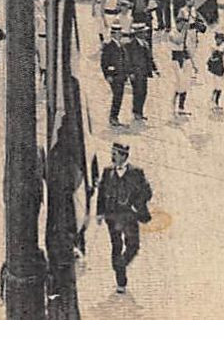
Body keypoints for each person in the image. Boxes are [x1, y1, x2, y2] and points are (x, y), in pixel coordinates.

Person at [95, 142, 153, 295]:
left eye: (115, 153)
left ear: (123, 156)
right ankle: (121, 281)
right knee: (116, 246)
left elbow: (147, 192)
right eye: (112, 153)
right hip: (112, 216)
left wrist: (137, 205)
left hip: (129, 215)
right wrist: (100, 212)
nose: (112, 156)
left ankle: (121, 264)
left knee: (133, 246)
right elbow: (101, 193)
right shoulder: (107, 172)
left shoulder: (137, 172)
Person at [124, 21, 155, 121]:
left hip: (144, 72)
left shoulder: (145, 44)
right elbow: (128, 60)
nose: (146, 34)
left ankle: (140, 112)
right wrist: (130, 72)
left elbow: (149, 58)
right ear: (139, 33)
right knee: (137, 92)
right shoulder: (130, 45)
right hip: (136, 72)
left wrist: (154, 69)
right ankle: (136, 112)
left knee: (144, 92)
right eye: (144, 32)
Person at [205, 31, 224, 111]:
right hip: (214, 68)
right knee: (217, 85)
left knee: (219, 86)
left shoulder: (222, 46)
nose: (218, 41)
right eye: (218, 39)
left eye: (220, 39)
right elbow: (217, 52)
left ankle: (215, 101)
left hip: (220, 68)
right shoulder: (213, 46)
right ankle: (214, 101)